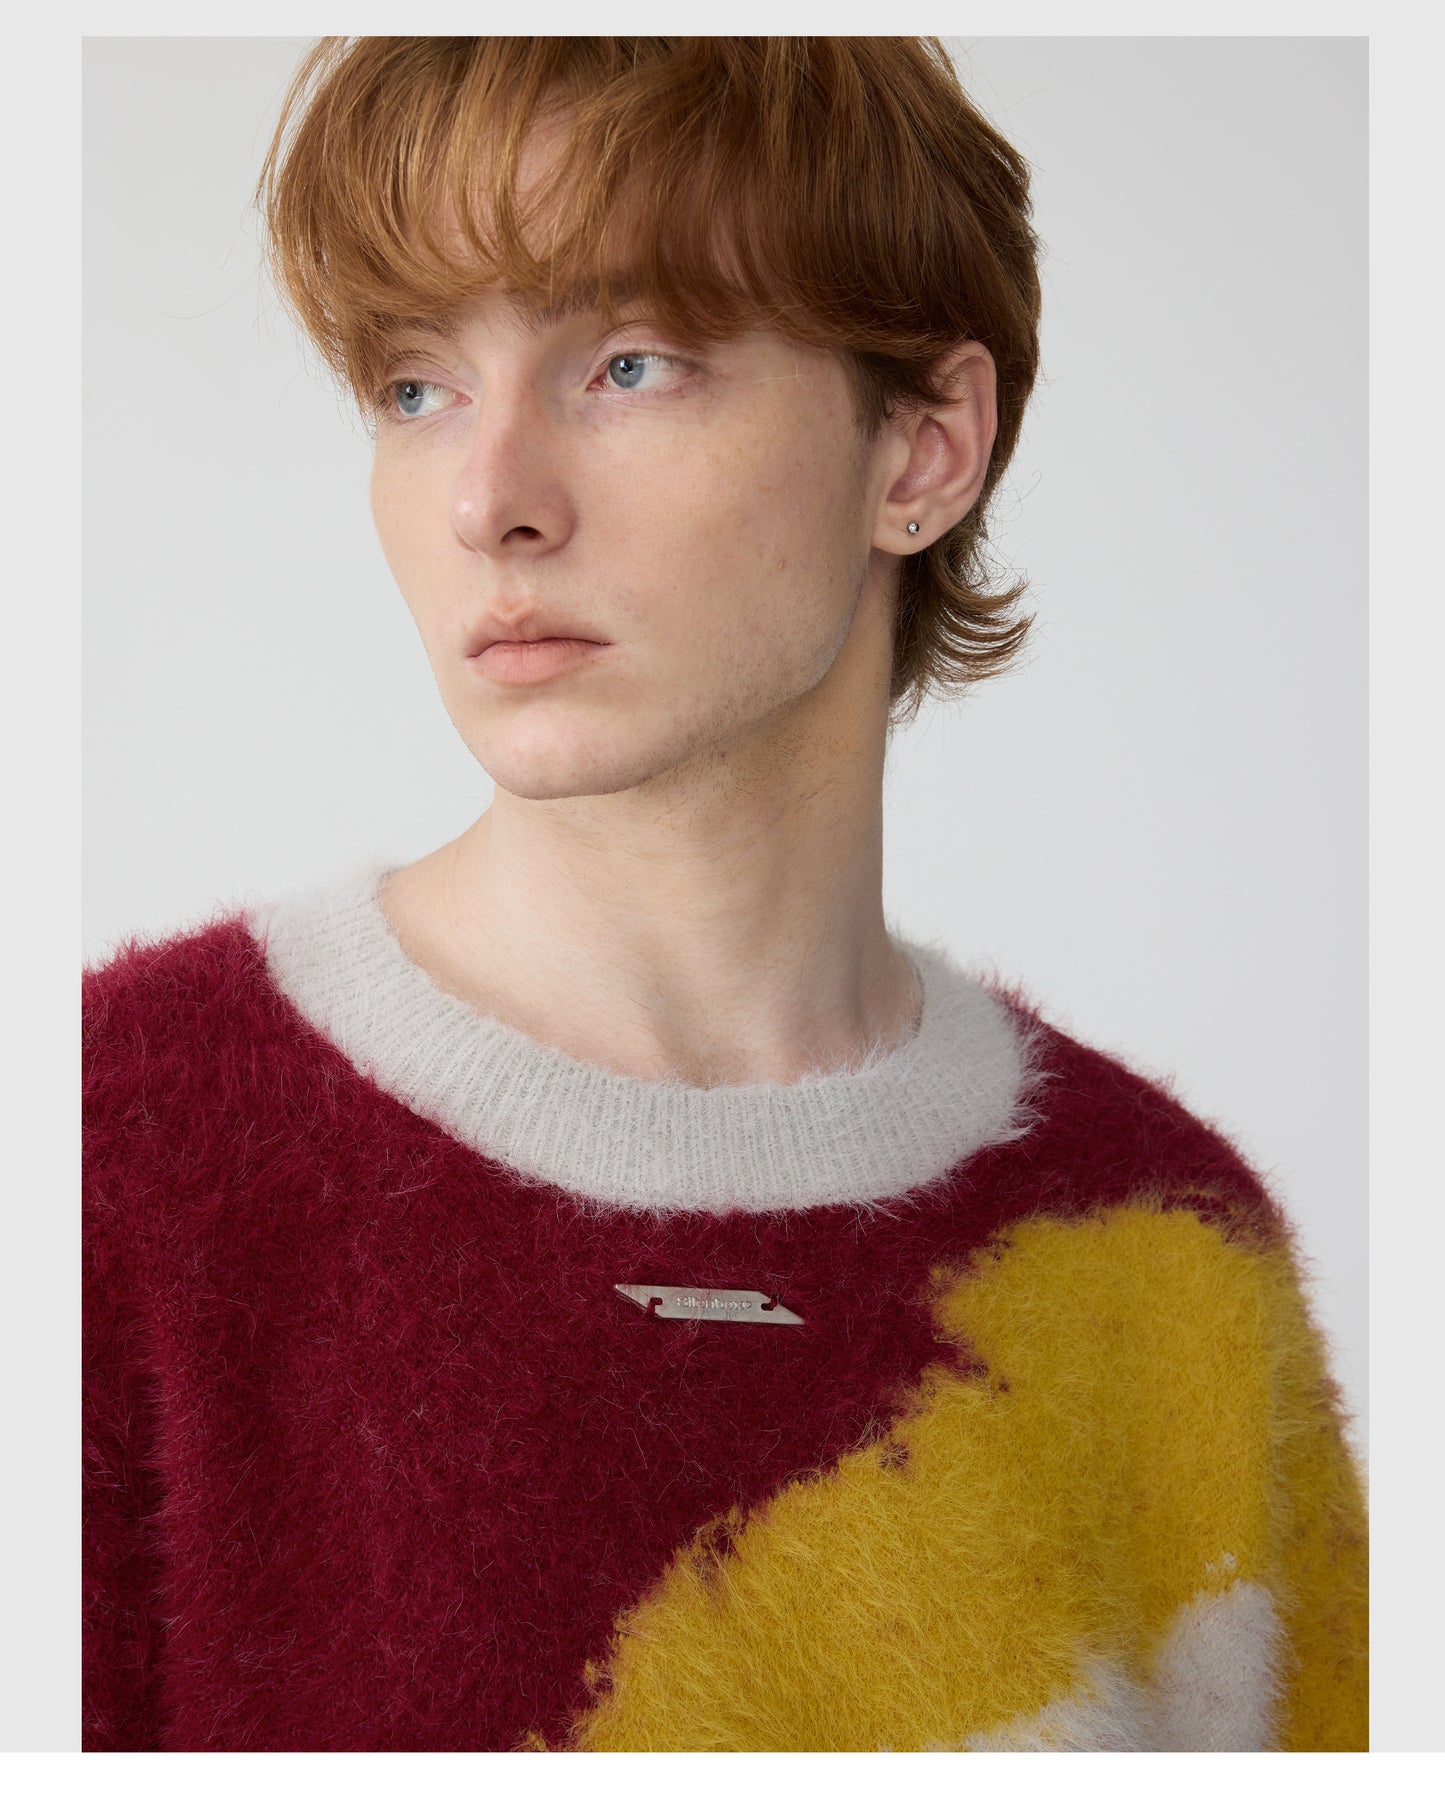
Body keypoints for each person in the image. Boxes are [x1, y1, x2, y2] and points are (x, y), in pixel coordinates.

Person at [82, 36, 1367, 1752]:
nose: (487, 500)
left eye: (629, 364)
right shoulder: (103, 1163)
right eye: (415, 388)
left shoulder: (1159, 1262)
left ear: (921, 451)